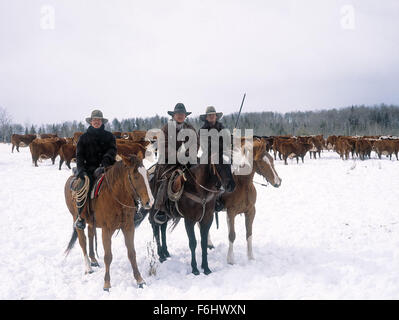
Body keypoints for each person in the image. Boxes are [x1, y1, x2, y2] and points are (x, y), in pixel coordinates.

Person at [151, 103, 199, 223]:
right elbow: (163, 147)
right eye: (178, 114)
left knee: (202, 171)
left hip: (187, 160)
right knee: (166, 178)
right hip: (169, 162)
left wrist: (188, 155)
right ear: (174, 115)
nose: (180, 116)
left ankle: (209, 200)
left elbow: (196, 144)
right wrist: (179, 155)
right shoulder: (166, 128)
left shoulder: (190, 128)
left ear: (185, 116)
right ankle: (161, 208)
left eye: (182, 114)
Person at [74, 109, 117, 230]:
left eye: (98, 120)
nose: (96, 122)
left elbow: (112, 150)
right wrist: (81, 169)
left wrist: (106, 159)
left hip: (108, 166)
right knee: (83, 186)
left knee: (124, 180)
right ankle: (81, 217)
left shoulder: (109, 136)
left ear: (102, 122)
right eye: (94, 120)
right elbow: (79, 155)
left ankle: (133, 210)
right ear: (91, 122)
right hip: (89, 168)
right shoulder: (83, 138)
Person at [198, 106, 228, 212]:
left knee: (231, 167)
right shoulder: (202, 130)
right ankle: (214, 198)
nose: (211, 117)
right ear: (206, 118)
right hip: (208, 155)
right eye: (209, 115)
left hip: (222, 154)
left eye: (213, 115)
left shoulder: (222, 127)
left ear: (216, 116)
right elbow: (206, 146)